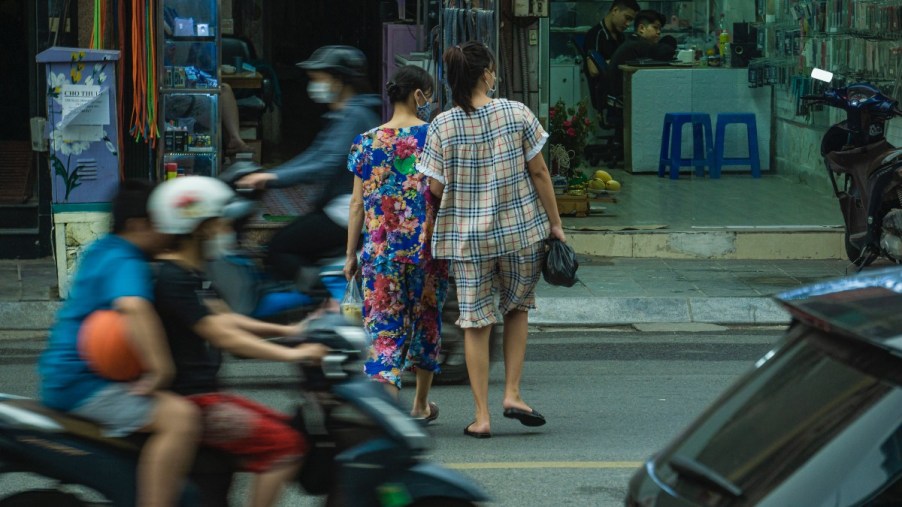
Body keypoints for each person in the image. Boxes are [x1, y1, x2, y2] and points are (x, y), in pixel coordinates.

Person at [147, 176, 330, 507]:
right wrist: (293, 355)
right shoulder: (172, 278)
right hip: (193, 402)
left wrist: (295, 331)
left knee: (293, 430)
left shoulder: (192, 273)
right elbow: (221, 334)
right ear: (198, 227)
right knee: (285, 445)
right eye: (220, 223)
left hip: (207, 394)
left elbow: (226, 318)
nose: (225, 231)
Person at [416, 41, 566, 438]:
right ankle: (513, 394)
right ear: (485, 74)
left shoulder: (442, 125)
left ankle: (481, 417)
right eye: (493, 70)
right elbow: (540, 174)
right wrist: (556, 224)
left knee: (475, 324)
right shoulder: (517, 113)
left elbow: (433, 187)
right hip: (521, 233)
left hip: (467, 242)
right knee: (517, 309)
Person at [37, 180, 200, 507]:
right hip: (83, 384)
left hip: (65, 376)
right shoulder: (127, 260)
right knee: (181, 418)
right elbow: (133, 306)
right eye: (160, 223)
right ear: (137, 225)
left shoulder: (103, 249)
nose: (169, 232)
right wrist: (160, 370)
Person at [344, 65, 448, 421]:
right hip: (427, 251)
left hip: (380, 253)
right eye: (429, 94)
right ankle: (420, 406)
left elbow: (356, 204)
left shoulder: (366, 141)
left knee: (385, 333)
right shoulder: (435, 137)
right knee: (427, 324)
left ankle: (388, 415)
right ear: (419, 95)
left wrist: (350, 256)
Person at [237, 46, 382, 283]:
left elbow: (327, 162)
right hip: (338, 205)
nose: (313, 85)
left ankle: (322, 297)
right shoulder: (345, 114)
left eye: (318, 79)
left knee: (280, 248)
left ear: (339, 80)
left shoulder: (356, 116)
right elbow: (314, 155)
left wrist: (272, 178)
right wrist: (270, 174)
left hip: (348, 209)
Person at [606, 10, 677, 99]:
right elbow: (666, 52)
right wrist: (670, 41)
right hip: (623, 104)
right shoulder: (638, 44)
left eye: (660, 29)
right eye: (655, 27)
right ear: (641, 29)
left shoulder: (633, 41)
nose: (659, 32)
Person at [583, 0, 640, 68]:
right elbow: (594, 69)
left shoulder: (620, 36)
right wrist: (618, 61)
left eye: (631, 20)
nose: (628, 24)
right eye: (627, 18)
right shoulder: (595, 34)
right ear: (615, 10)